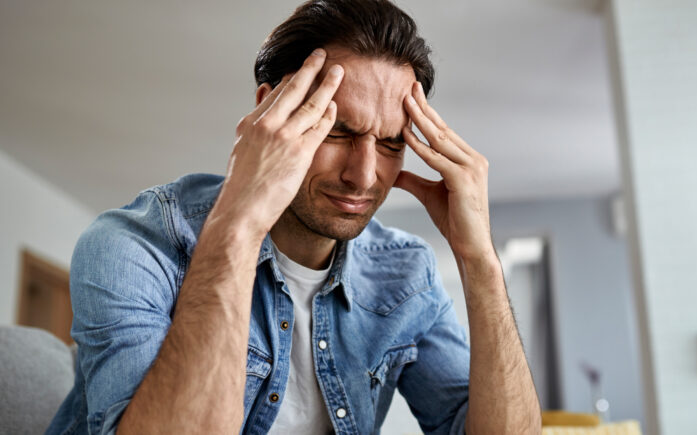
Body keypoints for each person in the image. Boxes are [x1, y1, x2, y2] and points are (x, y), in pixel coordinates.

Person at [47, 0, 541, 433]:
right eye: (338, 132)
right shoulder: (135, 244)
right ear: (269, 115)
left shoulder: (406, 274)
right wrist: (238, 226)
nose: (364, 176)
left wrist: (479, 262)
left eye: (392, 143)